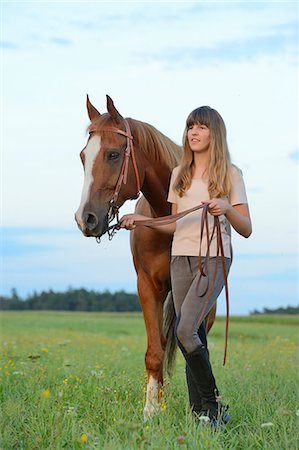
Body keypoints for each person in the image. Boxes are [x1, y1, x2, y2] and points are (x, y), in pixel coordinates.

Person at [120, 106, 252, 427]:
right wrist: (143, 221)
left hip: (214, 258)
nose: (194, 132)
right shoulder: (180, 174)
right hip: (181, 258)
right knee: (192, 336)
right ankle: (201, 414)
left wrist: (225, 208)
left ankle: (215, 404)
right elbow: (174, 226)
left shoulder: (230, 174)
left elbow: (246, 227)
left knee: (183, 329)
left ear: (214, 133)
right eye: (190, 127)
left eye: (201, 127)